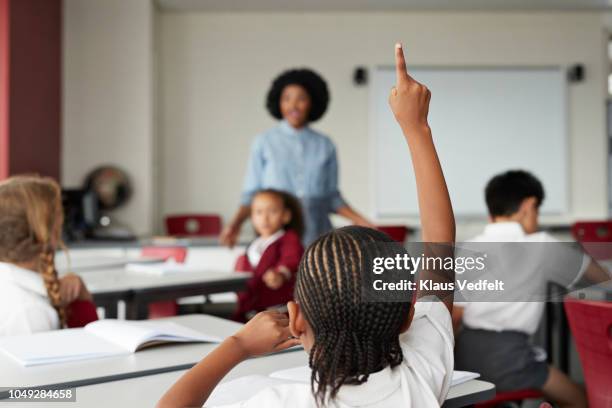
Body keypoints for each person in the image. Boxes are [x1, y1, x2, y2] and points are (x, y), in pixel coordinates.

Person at [157, 43, 457, 408]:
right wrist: (416, 128)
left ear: (295, 318)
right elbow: (441, 253)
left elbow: (333, 197)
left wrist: (237, 345)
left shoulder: (271, 400)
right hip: (324, 258)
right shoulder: (423, 378)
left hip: (319, 253)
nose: (294, 104)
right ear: (407, 317)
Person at [453, 170, 611, 408]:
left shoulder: (468, 247)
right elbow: (601, 279)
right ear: (528, 205)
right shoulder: (542, 245)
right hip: (509, 357)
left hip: (464, 353)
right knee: (579, 399)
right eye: (537, 210)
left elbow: (455, 315)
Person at [220, 67, 373, 247]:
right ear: (278, 102)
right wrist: (235, 224)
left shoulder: (325, 144)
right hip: (277, 239)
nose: (293, 105)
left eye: (301, 98)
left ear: (312, 102)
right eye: (287, 99)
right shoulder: (264, 142)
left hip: (317, 236)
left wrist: (362, 221)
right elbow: (251, 195)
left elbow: (332, 197)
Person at [0, 175, 96, 336]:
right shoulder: (30, 313)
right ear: (50, 234)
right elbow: (91, 355)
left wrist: (80, 298)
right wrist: (83, 302)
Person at [233, 189, 304, 322]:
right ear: (252, 217)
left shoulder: (289, 239)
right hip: (251, 311)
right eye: (259, 212)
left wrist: (281, 274)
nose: (265, 218)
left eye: (272, 211)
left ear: (286, 216)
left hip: (278, 313)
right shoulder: (254, 244)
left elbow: (291, 260)